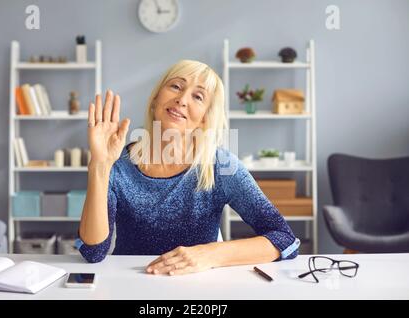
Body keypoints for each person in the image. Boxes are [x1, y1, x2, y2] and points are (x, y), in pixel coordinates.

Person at [77, 60, 300, 276]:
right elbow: (94, 251)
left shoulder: (220, 166)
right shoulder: (118, 163)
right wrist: (100, 165)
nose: (182, 100)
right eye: (175, 86)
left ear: (204, 119)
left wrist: (210, 254)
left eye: (198, 96)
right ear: (155, 99)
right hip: (132, 284)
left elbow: (283, 238)